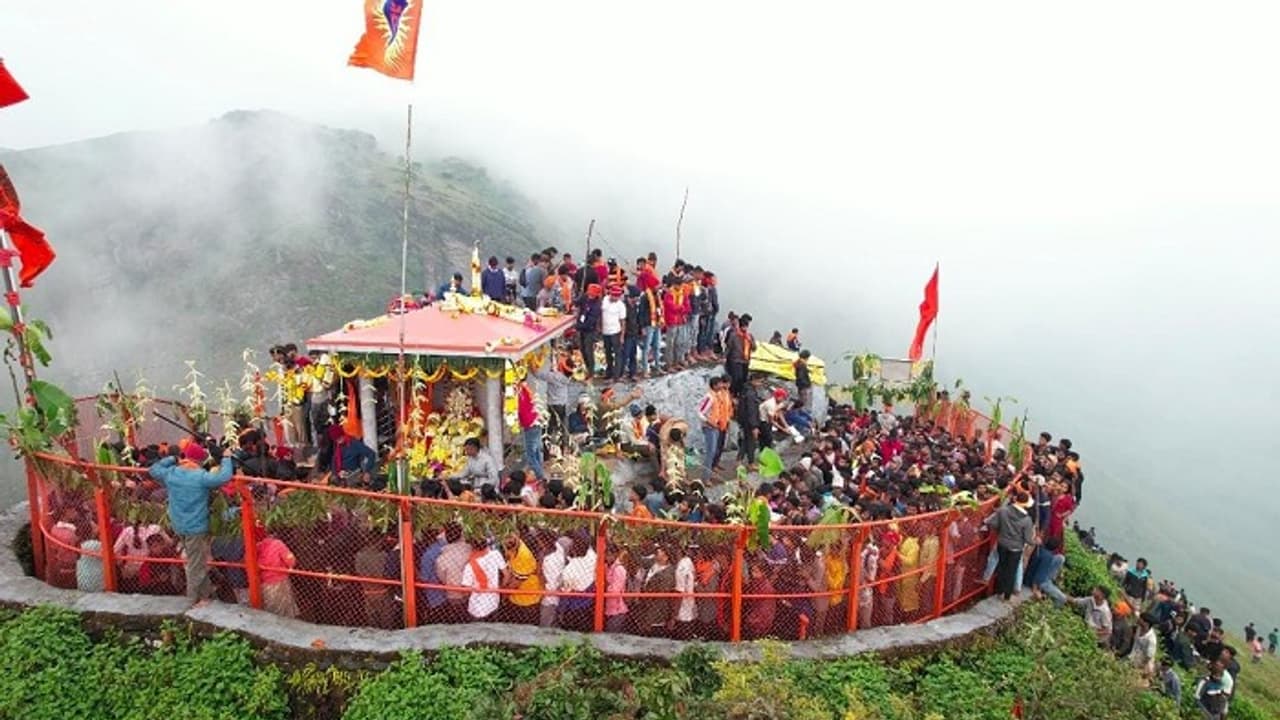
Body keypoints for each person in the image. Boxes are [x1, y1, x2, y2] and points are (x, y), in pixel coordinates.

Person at [147, 439, 234, 600]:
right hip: (196, 528)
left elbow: (153, 469)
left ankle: (207, 596)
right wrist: (227, 458)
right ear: (200, 461)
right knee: (196, 567)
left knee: (195, 562)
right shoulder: (201, 477)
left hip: (178, 526)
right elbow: (224, 477)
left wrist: (173, 459)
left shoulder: (171, 473)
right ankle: (192, 602)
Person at [984, 491, 1036, 601]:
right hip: (1016, 548)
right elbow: (1027, 538)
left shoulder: (1003, 511)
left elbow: (993, 523)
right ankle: (1007, 595)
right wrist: (1035, 542)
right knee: (1011, 570)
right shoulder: (1027, 520)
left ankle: (999, 591)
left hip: (1002, 543)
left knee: (1002, 567)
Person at [256, 527, 299, 618]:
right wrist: (290, 567)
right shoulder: (277, 543)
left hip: (264, 581)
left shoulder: (258, 546)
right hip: (279, 580)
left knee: (269, 606)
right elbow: (291, 559)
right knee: (283, 608)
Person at [461, 537, 507, 620]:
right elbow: (506, 575)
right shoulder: (495, 554)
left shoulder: (469, 565)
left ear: (473, 547)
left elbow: (465, 591)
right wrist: (499, 589)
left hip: (476, 608)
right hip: (493, 603)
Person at [515, 378, 544, 480]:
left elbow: (520, 409)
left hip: (530, 424)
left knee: (531, 455)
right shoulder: (526, 388)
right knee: (536, 453)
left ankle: (540, 476)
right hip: (535, 422)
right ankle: (540, 475)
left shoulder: (520, 390)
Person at [575, 283, 603, 378]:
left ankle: (591, 372)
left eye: (592, 294)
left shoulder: (597, 306)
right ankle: (586, 367)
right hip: (581, 328)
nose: (589, 295)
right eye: (589, 293)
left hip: (590, 330)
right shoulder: (585, 297)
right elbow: (577, 302)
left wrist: (578, 326)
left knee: (588, 350)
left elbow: (591, 321)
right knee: (582, 349)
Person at [601, 284, 627, 379]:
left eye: (617, 297)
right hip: (605, 332)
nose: (615, 298)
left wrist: (622, 336)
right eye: (614, 296)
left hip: (616, 332)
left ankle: (617, 375)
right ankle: (609, 373)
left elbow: (623, 321)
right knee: (607, 353)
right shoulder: (604, 300)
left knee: (617, 354)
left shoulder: (621, 306)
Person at [724, 313, 755, 396]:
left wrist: (750, 341)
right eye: (743, 326)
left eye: (746, 327)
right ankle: (732, 393)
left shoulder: (750, 336)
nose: (745, 328)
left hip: (745, 361)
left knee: (743, 379)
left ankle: (740, 394)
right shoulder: (734, 335)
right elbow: (729, 347)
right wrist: (725, 357)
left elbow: (754, 348)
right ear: (740, 326)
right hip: (735, 360)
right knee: (736, 378)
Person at [1131, 613, 1158, 677]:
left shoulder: (1151, 639)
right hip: (1133, 659)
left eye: (1140, 619)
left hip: (1143, 668)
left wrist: (1140, 667)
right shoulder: (1139, 628)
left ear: (1146, 623)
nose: (1138, 620)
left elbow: (1148, 656)